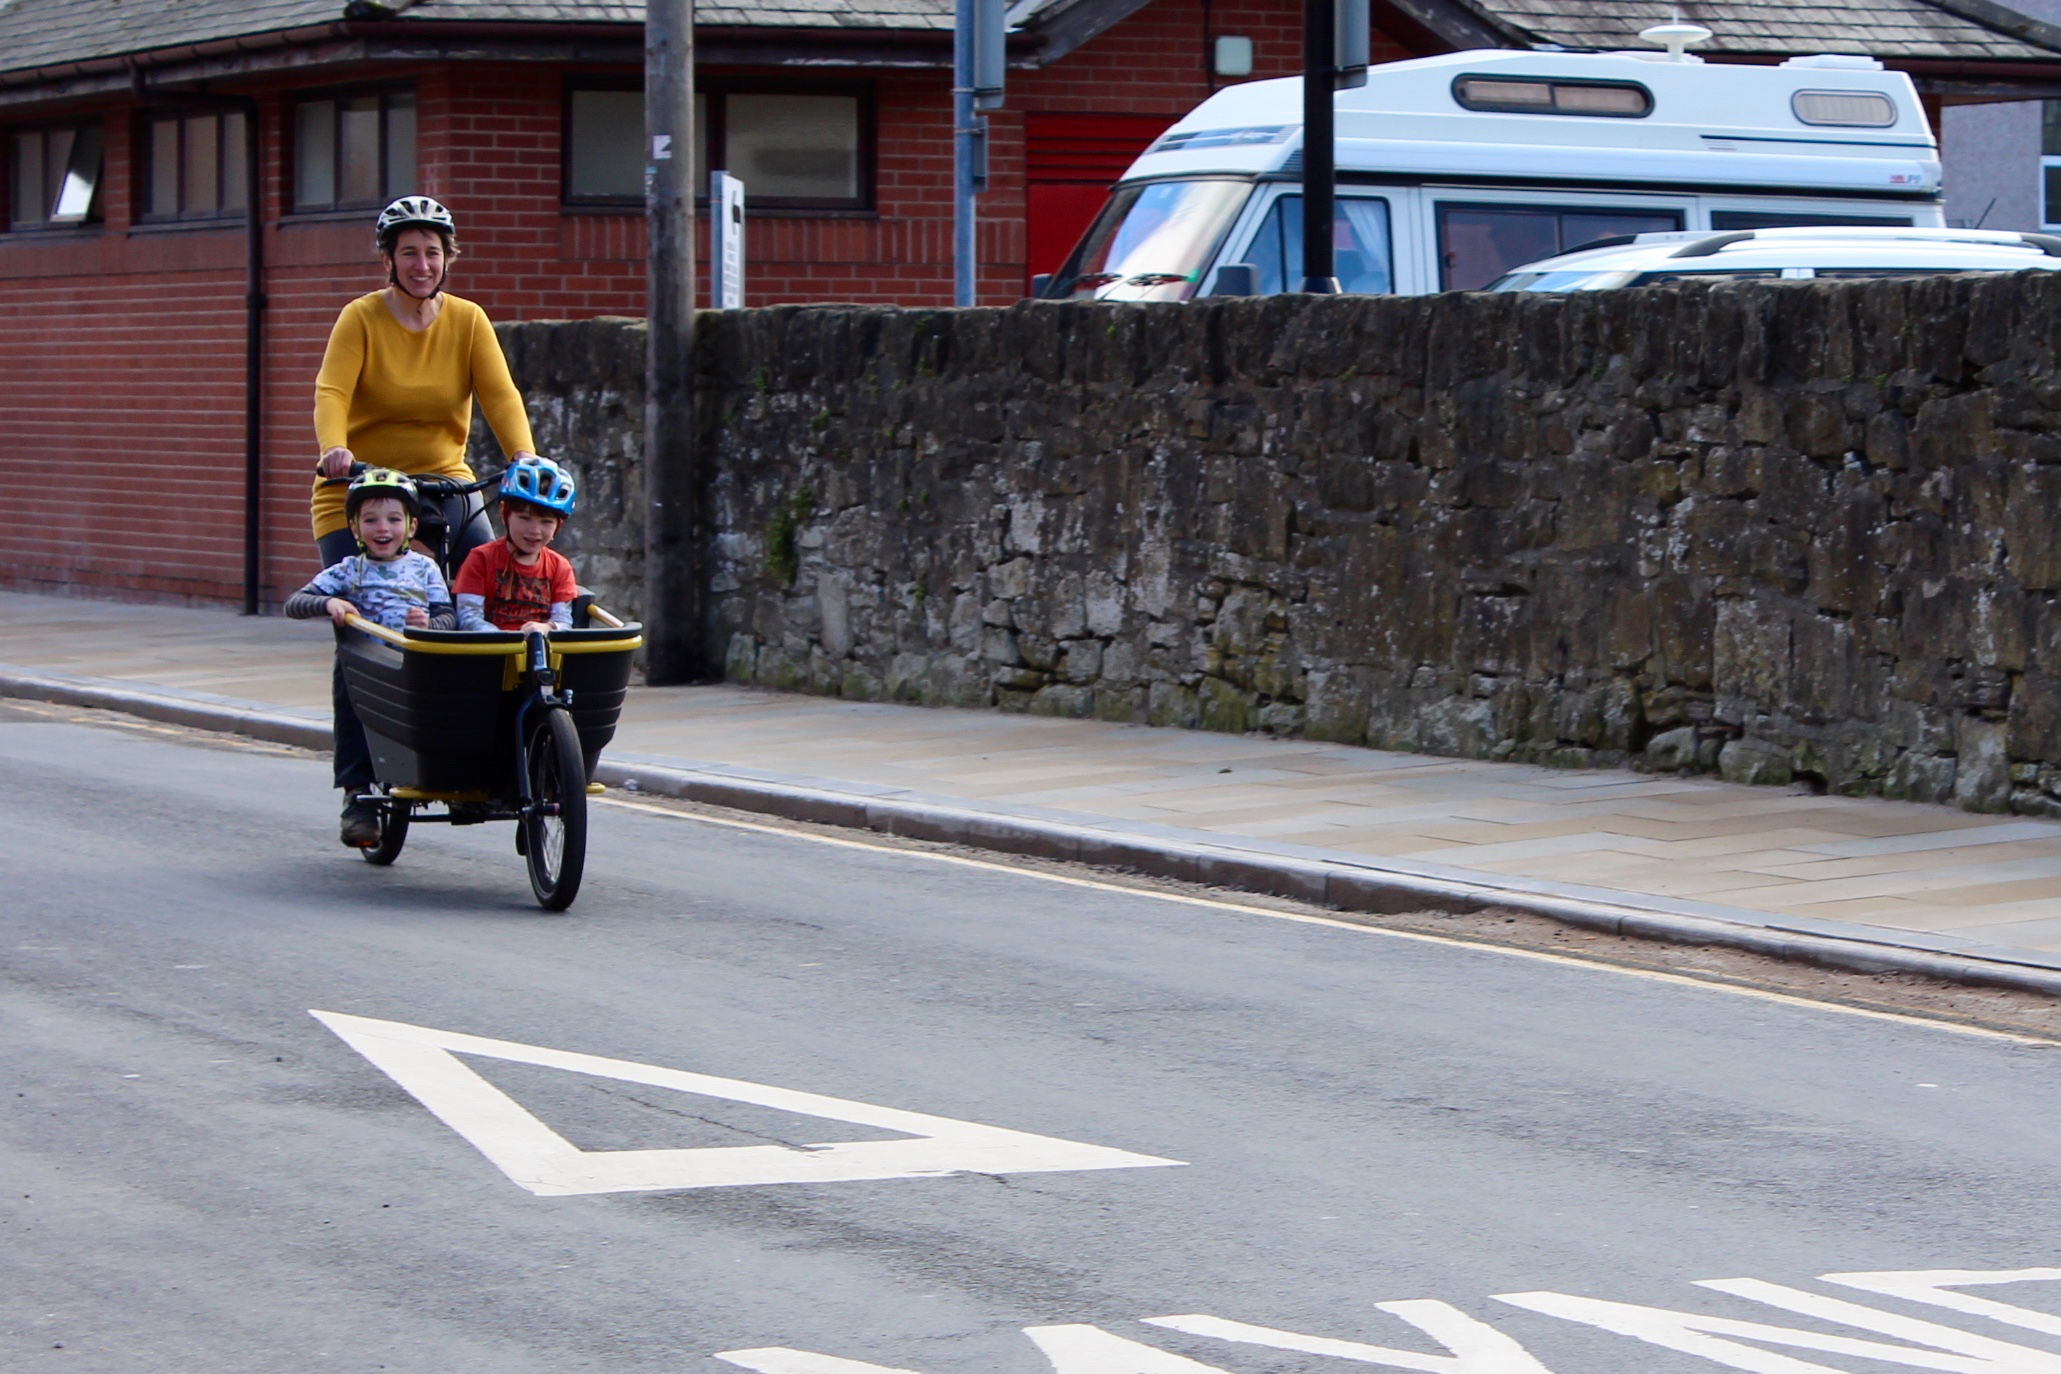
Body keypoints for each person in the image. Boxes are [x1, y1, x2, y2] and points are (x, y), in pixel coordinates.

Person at [309, 196, 540, 573]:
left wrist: (523, 454)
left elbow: (499, 394)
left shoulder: (468, 320)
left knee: (487, 584)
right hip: (360, 482)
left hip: (443, 481)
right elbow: (332, 391)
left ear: (447, 258)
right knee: (357, 606)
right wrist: (334, 449)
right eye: (409, 253)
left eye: (433, 253)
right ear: (388, 260)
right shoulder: (360, 318)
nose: (422, 266)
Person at [284, 470, 455, 847]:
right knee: (349, 704)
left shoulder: (425, 569)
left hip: (414, 664)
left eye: (394, 519)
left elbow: (449, 615)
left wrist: (429, 623)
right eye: (370, 520)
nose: (383, 528)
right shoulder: (349, 570)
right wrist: (329, 601)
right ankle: (357, 796)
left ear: (411, 527)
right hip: (366, 666)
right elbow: (294, 603)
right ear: (354, 528)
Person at [454, 456, 581, 633]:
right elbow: (468, 617)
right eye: (524, 518)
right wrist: (505, 639)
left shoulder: (560, 567)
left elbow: (563, 620)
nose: (535, 530)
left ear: (558, 525)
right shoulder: (481, 558)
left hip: (539, 652)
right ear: (504, 513)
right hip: (489, 652)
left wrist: (546, 628)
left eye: (546, 522)